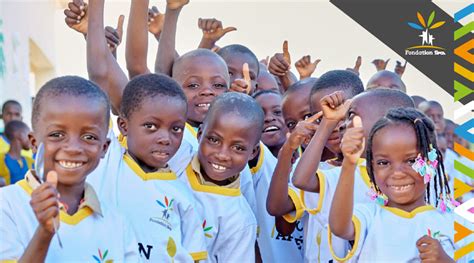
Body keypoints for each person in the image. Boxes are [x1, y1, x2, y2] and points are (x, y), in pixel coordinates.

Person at [0, 76, 139, 262]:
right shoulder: (7, 205)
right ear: (34, 143)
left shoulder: (117, 223)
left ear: (103, 148)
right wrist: (44, 231)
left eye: (89, 137)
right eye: (57, 134)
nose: (73, 148)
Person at [291, 88, 415, 261]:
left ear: (384, 123)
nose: (342, 124)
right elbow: (301, 180)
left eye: (351, 115)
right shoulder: (345, 173)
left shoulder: (418, 182)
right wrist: (328, 121)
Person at [329, 108, 456, 262]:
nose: (397, 173)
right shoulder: (368, 216)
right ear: (371, 167)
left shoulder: (454, 222)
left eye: (411, 161)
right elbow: (339, 228)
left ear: (432, 162)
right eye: (384, 163)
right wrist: (349, 163)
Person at [179, 92, 261, 262]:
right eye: (214, 140)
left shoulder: (240, 220)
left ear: (253, 152)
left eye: (238, 148)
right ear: (200, 134)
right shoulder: (177, 159)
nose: (222, 155)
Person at [251, 90, 304, 262]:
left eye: (277, 112)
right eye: (259, 113)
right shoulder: (258, 161)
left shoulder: (314, 165)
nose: (269, 118)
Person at [0, 120, 33, 185]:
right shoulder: (1, 160)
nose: (31, 139)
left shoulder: (30, 162)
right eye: (29, 135)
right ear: (20, 135)